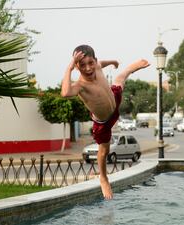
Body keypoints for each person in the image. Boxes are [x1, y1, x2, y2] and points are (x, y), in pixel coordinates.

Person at [61, 45, 149, 199]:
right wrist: (69, 68)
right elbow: (65, 92)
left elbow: (102, 62)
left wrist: (113, 62)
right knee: (104, 151)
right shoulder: (80, 86)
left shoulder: (99, 67)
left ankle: (129, 69)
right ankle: (103, 177)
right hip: (103, 122)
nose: (88, 68)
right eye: (81, 65)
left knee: (120, 78)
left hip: (114, 103)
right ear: (76, 66)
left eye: (91, 63)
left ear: (95, 61)